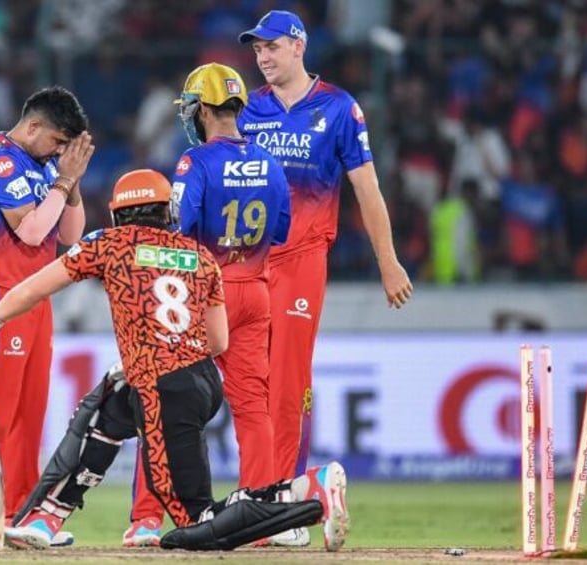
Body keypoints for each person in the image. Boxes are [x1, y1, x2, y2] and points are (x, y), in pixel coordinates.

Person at [0, 169, 350, 552]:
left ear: (119, 215)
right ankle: (45, 518)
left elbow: (36, 288)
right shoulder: (200, 255)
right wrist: (163, 353)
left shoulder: (109, 244)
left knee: (196, 525)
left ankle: (306, 492)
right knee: (105, 409)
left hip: (163, 388)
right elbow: (219, 340)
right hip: (198, 380)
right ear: (168, 211)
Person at [236, 10, 413, 543]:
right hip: (248, 261)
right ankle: (260, 497)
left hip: (302, 260)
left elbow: (368, 190)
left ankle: (285, 511)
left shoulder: (338, 107)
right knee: (249, 382)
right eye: (257, 49)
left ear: (298, 45)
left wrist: (389, 262)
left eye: (271, 46)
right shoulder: (249, 109)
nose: (262, 57)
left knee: (289, 380)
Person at [123, 62, 291, 548]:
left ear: (203, 109)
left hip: (200, 295)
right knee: (253, 409)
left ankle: (147, 517)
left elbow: (177, 232)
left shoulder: (193, 165)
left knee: (161, 401)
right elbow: (278, 231)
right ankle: (259, 521)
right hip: (255, 290)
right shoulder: (270, 162)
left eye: (192, 108)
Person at [0, 86, 93, 547]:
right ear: (33, 127)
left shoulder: (47, 165)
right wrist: (62, 181)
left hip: (34, 295)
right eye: (58, 143)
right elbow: (30, 232)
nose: (60, 153)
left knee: (30, 412)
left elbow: (70, 232)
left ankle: (21, 517)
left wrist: (73, 179)